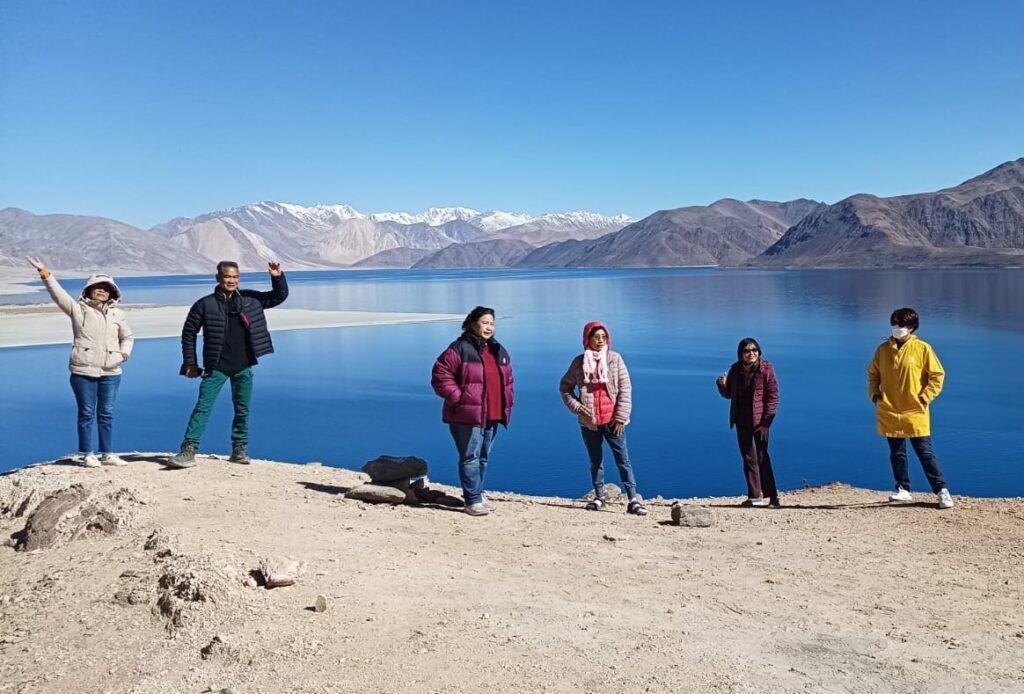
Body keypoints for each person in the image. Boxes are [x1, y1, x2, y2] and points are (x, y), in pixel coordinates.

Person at [167, 261, 288, 468]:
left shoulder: (251, 300)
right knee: (202, 408)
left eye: (235, 277)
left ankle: (239, 450)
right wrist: (190, 362)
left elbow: (278, 296)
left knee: (242, 410)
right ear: (218, 278)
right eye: (227, 276)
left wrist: (277, 277)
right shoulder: (204, 304)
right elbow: (189, 333)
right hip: (216, 367)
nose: (231, 280)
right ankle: (188, 450)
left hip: (244, 365)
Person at [27, 257, 134, 468]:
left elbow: (128, 337)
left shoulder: (117, 314)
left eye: (106, 288)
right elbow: (58, 295)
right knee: (86, 413)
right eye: (97, 287)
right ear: (89, 290)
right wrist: (45, 274)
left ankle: (108, 454)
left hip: (111, 372)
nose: (101, 291)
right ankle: (87, 453)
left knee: (107, 414)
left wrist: (123, 354)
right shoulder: (78, 310)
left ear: (112, 292)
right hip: (83, 371)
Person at [430, 306, 514, 516]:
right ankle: (472, 500)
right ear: (472, 323)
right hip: (467, 415)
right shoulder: (460, 348)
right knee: (470, 456)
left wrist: (508, 400)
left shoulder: (497, 349)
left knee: (483, 457)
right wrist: (459, 398)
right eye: (485, 322)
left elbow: (508, 379)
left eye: (492, 323)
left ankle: (478, 493)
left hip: (493, 413)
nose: (489, 327)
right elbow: (440, 375)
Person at [868, 308, 953, 509]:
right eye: (894, 324)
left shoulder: (922, 349)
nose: (896, 328)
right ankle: (903, 489)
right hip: (890, 409)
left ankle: (942, 491)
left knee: (924, 452)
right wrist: (875, 394)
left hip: (914, 410)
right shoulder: (883, 350)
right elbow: (873, 374)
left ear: (911, 327)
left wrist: (925, 397)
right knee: (897, 452)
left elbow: (937, 375)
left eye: (900, 325)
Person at [559, 322, 647, 515]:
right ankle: (599, 497)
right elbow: (565, 388)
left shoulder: (615, 359)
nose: (600, 341)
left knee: (623, 459)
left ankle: (633, 498)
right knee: (595, 461)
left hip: (613, 421)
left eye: (603, 337)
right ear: (587, 339)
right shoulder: (579, 363)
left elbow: (625, 388)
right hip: (589, 422)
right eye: (596, 337)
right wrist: (577, 407)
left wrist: (621, 417)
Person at [716, 338, 780, 507]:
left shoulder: (766, 370)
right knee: (748, 458)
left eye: (754, 350)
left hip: (760, 422)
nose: (751, 353)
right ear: (741, 354)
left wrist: (766, 424)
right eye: (747, 350)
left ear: (759, 352)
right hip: (741, 418)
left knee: (762, 457)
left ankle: (772, 497)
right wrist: (721, 384)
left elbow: (773, 399)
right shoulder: (736, 370)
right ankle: (754, 496)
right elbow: (729, 394)